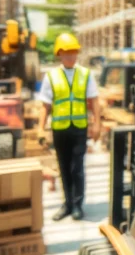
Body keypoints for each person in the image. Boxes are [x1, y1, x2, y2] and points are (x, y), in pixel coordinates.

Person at [39, 33, 101, 221]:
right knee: (64, 167)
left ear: (77, 54)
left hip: (79, 128)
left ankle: (77, 205)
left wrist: (97, 124)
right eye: (66, 52)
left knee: (77, 167)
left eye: (73, 52)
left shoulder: (85, 74)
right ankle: (67, 204)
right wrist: (40, 128)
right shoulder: (51, 76)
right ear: (59, 54)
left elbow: (94, 100)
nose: (70, 56)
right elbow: (45, 105)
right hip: (59, 129)